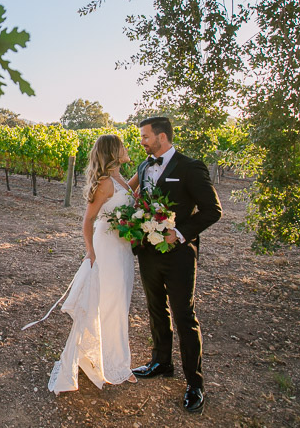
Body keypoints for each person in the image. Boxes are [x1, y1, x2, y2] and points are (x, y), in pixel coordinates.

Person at [126, 116, 222, 414]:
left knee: (184, 316)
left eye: (145, 136)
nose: (141, 141)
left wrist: (179, 233)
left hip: (179, 255)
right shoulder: (143, 166)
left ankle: (195, 383)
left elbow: (212, 210)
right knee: (156, 309)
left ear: (162, 137)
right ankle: (161, 362)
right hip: (148, 253)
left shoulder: (190, 167)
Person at [46, 134, 137, 394]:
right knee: (108, 304)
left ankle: (109, 358)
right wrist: (91, 253)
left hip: (122, 249)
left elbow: (127, 194)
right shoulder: (105, 183)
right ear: (113, 152)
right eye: (121, 146)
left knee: (120, 303)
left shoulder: (120, 179)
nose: (126, 148)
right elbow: (87, 220)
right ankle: (115, 365)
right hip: (106, 249)